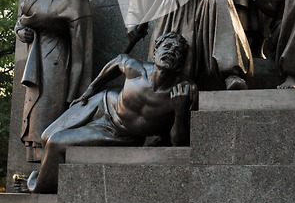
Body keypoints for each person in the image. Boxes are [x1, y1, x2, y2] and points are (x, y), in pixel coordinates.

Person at [26, 32, 198, 194]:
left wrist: (180, 111)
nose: (171, 52)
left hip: (120, 132)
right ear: (155, 51)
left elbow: (180, 144)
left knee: (55, 142)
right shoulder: (137, 69)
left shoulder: (184, 90)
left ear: (181, 63)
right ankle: (45, 170)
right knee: (45, 137)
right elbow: (118, 61)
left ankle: (39, 185)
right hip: (102, 102)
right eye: (167, 47)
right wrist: (90, 90)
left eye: (177, 52)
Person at [15, 0, 93, 161]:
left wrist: (76, 92)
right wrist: (22, 32)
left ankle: (48, 165)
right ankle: (36, 167)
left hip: (57, 62)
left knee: (47, 112)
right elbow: (22, 21)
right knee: (35, 112)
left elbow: (82, 47)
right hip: (37, 57)